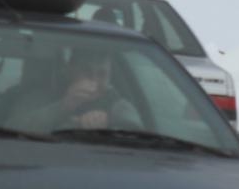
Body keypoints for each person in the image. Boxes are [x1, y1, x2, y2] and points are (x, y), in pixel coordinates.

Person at [8, 50, 140, 134]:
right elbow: (12, 130)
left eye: (102, 74)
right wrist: (63, 106)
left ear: (110, 77)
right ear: (69, 71)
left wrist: (109, 123)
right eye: (87, 72)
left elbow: (138, 138)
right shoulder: (39, 97)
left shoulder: (119, 106)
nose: (94, 80)